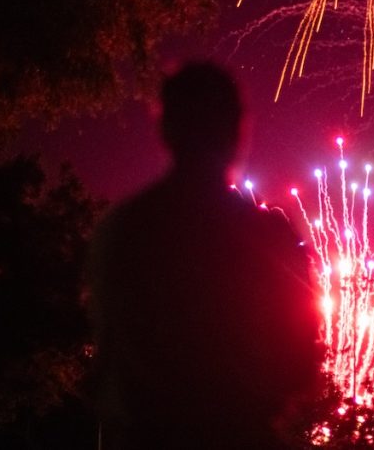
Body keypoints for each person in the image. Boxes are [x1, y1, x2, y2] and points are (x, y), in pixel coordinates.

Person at [88, 62, 321, 449]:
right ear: (238, 132)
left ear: (165, 129)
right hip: (242, 436)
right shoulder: (269, 237)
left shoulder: (125, 230)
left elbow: (110, 362)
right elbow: (299, 365)